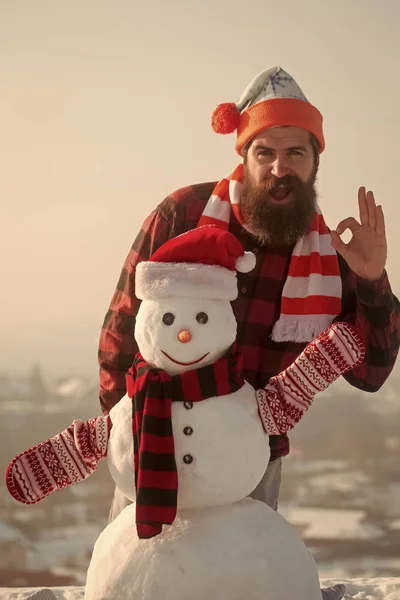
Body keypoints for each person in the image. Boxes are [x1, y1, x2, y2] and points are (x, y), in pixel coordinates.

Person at [98, 66, 400, 521]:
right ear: (245, 155)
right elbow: (120, 331)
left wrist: (374, 278)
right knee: (142, 584)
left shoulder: (334, 257)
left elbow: (371, 373)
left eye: (296, 153)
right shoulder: (183, 214)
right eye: (266, 152)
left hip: (250, 463)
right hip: (153, 443)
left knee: (242, 582)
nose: (280, 168)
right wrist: (127, 433)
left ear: (315, 162)